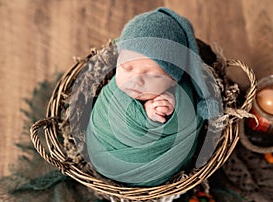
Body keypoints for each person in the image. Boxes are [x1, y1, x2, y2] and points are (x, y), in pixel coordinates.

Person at [85, 7, 220, 186]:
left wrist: (165, 113)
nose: (136, 80)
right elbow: (103, 110)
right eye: (127, 67)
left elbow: (187, 116)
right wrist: (142, 110)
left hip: (154, 171)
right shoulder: (113, 88)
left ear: (173, 81)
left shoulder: (180, 92)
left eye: (153, 75)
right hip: (102, 155)